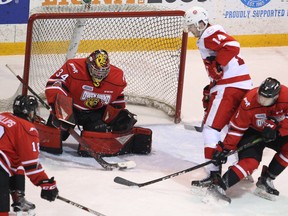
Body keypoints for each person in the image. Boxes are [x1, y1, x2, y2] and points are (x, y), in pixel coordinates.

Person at [184, 6, 253, 187]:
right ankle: (243, 168)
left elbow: (232, 45)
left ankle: (213, 174)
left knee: (211, 129)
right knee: (235, 127)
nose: (192, 31)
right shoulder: (212, 33)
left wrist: (218, 65)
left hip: (229, 87)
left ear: (201, 22)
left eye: (192, 27)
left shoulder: (208, 34)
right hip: (242, 85)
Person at [43, 49, 152, 156]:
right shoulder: (73, 67)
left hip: (94, 114)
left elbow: (117, 98)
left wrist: (117, 115)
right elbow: (55, 85)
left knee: (99, 141)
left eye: (103, 72)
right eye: (96, 71)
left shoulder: (117, 77)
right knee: (54, 136)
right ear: (89, 65)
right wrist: (61, 109)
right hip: (71, 109)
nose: (99, 75)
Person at [209, 77, 288, 203]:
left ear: (276, 97)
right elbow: (237, 129)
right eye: (260, 96)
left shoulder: (286, 96)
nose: (261, 101)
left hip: (274, 132)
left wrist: (278, 128)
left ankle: (266, 180)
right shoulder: (249, 101)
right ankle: (219, 186)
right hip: (252, 132)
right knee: (250, 163)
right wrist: (226, 148)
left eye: (266, 99)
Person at [0, 95, 59, 216]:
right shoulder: (28, 129)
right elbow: (31, 165)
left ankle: (18, 197)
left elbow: (18, 162)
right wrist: (47, 184)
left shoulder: (3, 115)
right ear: (30, 112)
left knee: (14, 160)